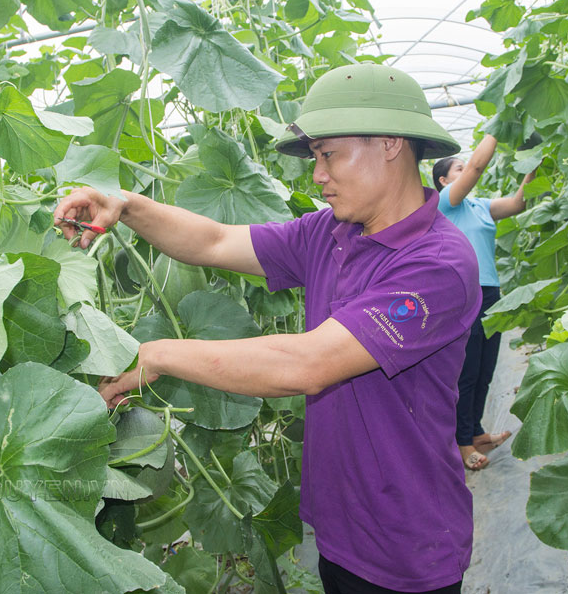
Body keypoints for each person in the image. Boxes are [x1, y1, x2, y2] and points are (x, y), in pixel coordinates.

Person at [55, 63, 482, 593]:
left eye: (328, 154)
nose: (317, 174)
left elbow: (307, 365)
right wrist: (124, 206)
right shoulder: (331, 231)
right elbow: (214, 242)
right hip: (342, 526)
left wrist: (158, 355)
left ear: (391, 144)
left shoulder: (437, 264)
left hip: (408, 543)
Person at [432, 136, 535, 471]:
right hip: (462, 292)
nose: (467, 170)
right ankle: (461, 444)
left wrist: (532, 165)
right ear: (445, 181)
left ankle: (475, 432)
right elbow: (477, 166)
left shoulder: (480, 207)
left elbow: (518, 204)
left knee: (486, 368)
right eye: (457, 169)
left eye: (464, 166)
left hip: (490, 293)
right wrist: (498, 130)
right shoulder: (445, 202)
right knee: (467, 371)